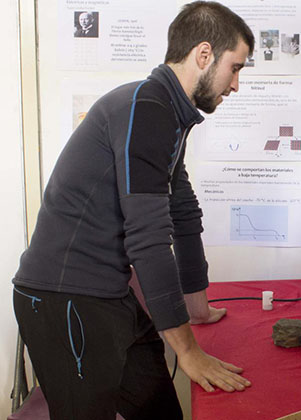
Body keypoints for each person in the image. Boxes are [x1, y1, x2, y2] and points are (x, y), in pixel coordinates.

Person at [13, 2, 254, 419]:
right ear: (203, 54)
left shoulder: (170, 115)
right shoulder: (146, 107)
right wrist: (190, 352)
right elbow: (149, 240)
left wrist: (197, 305)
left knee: (158, 407)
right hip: (62, 296)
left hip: (107, 291)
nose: (236, 84)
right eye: (235, 67)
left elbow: (182, 210)